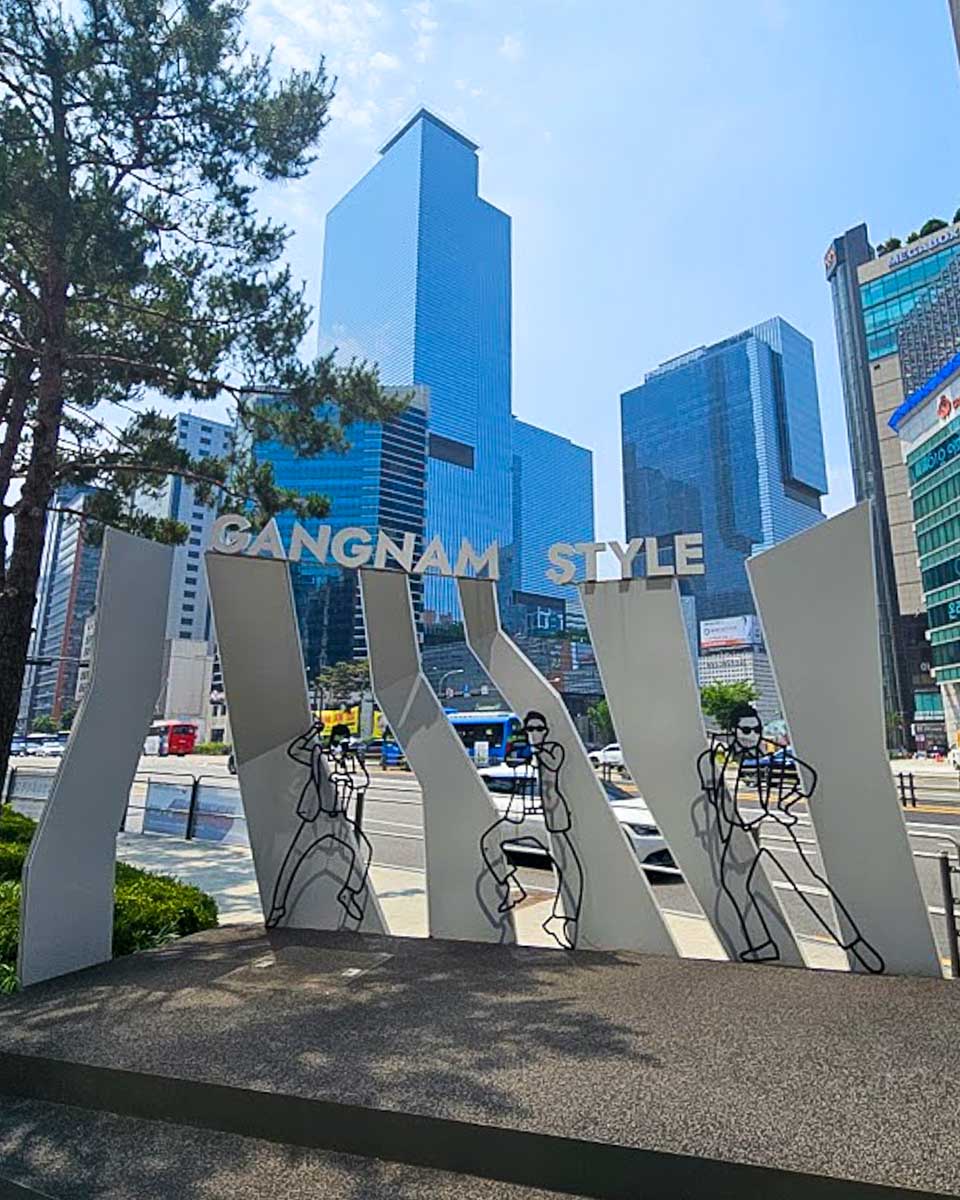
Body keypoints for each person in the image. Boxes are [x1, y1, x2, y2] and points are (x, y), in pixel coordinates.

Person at [697, 703, 884, 973]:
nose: (752, 735)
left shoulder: (770, 752)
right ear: (734, 730)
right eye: (746, 730)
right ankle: (763, 944)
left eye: (756, 729)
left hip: (770, 822)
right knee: (735, 885)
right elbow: (713, 794)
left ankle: (854, 944)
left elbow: (808, 777)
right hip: (742, 830)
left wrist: (782, 808)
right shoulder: (725, 758)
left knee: (806, 879)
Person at [480, 710, 584, 950]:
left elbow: (553, 763)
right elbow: (514, 764)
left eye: (538, 729)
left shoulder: (552, 749)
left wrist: (533, 749)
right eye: (529, 729)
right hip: (530, 812)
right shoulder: (531, 752)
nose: (534, 733)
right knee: (489, 841)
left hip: (554, 811)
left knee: (566, 861)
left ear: (546, 730)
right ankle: (513, 887)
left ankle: (567, 917)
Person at [266, 722, 373, 929]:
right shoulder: (318, 755)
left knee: (364, 852)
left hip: (339, 822)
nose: (340, 743)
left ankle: (348, 892)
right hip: (316, 817)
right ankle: (278, 908)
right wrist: (313, 731)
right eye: (337, 738)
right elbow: (295, 750)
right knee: (293, 861)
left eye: (344, 739)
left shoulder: (351, 761)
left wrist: (352, 763)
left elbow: (362, 783)